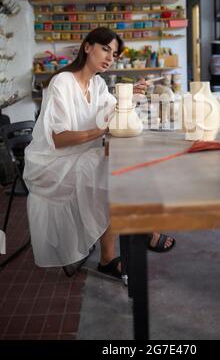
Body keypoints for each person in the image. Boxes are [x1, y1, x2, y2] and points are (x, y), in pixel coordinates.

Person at [24, 27, 175, 280]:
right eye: (105, 49)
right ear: (87, 47)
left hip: (82, 154)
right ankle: (121, 245)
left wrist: (131, 97)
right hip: (52, 163)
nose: (109, 57)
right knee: (112, 172)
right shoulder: (62, 82)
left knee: (120, 164)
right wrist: (101, 130)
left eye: (114, 54)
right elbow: (59, 139)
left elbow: (113, 114)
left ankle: (133, 232)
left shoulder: (98, 84)